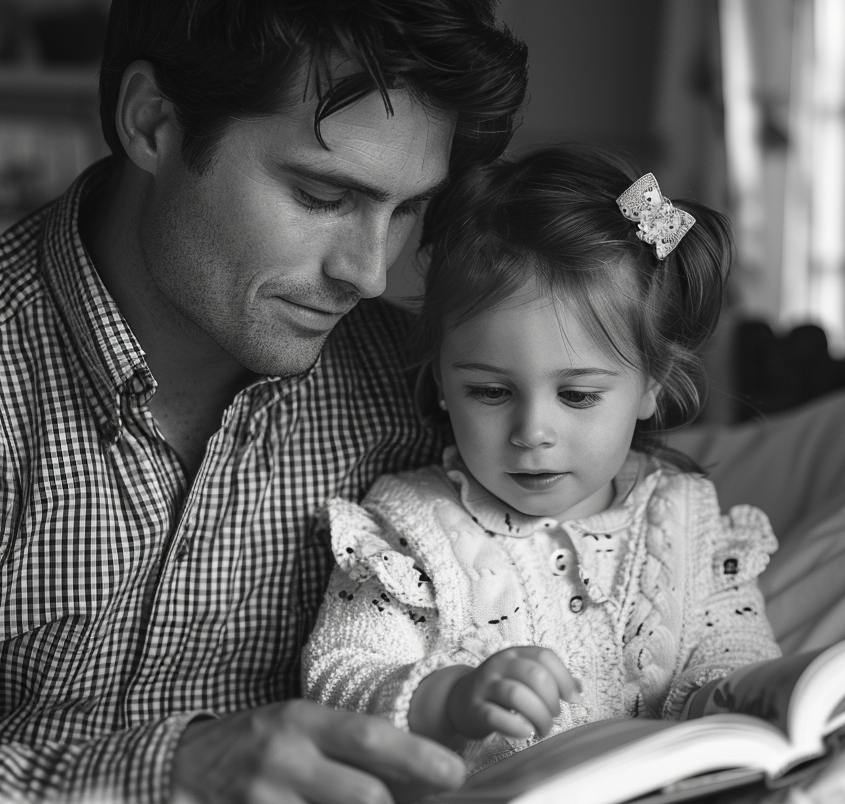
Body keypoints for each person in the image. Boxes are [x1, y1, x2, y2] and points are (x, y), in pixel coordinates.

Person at [0, 0, 527, 804]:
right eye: (323, 195)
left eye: (407, 210)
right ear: (153, 122)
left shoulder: (418, 391)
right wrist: (179, 771)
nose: (369, 271)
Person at [303, 147, 781, 770]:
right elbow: (341, 675)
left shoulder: (687, 520)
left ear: (652, 384)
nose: (532, 432)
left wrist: (725, 708)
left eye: (578, 395)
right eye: (491, 392)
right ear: (442, 381)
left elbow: (735, 654)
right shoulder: (408, 529)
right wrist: (448, 699)